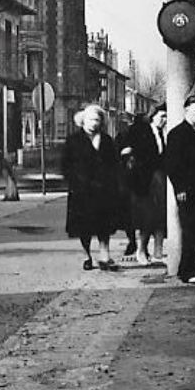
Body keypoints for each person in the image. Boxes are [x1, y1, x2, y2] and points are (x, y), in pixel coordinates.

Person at [62, 104, 123, 270]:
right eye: (90, 120)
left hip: (104, 190)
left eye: (97, 120)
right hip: (82, 191)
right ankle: (87, 255)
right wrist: (74, 181)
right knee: (84, 226)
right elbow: (65, 165)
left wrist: (114, 183)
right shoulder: (73, 141)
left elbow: (115, 164)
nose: (94, 123)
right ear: (83, 121)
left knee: (104, 225)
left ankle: (105, 254)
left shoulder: (107, 141)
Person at [163, 95, 195, 284]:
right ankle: (188, 271)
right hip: (186, 190)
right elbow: (172, 165)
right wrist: (180, 188)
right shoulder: (177, 134)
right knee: (190, 229)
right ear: (186, 111)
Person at [120, 106, 168, 265]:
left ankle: (158, 251)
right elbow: (132, 151)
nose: (164, 120)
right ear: (153, 116)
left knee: (161, 217)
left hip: (160, 179)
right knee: (147, 218)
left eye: (166, 117)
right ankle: (141, 250)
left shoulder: (163, 133)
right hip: (144, 181)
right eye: (161, 116)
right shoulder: (143, 132)